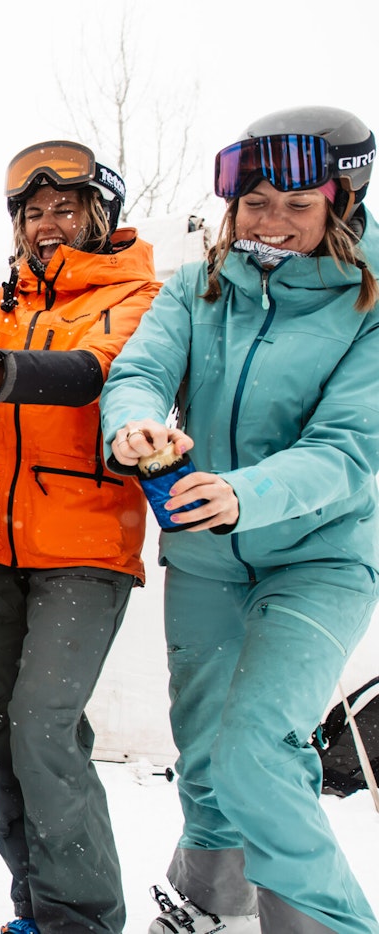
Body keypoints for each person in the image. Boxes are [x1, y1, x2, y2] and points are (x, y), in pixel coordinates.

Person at [101, 106, 379, 934]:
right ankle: (208, 895)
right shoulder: (198, 286)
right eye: (255, 201)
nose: (273, 220)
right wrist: (136, 425)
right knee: (209, 753)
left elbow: (347, 448)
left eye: (297, 203)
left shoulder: (368, 305)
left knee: (260, 747)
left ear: (342, 202)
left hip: (319, 559)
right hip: (205, 559)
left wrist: (242, 493)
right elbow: (141, 371)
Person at [0, 141, 159, 934]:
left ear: (98, 212)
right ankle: (34, 906)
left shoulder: (140, 295)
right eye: (33, 213)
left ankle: (83, 921)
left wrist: (3, 373)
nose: (47, 224)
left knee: (44, 726)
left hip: (84, 544)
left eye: (65, 208)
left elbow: (97, 372)